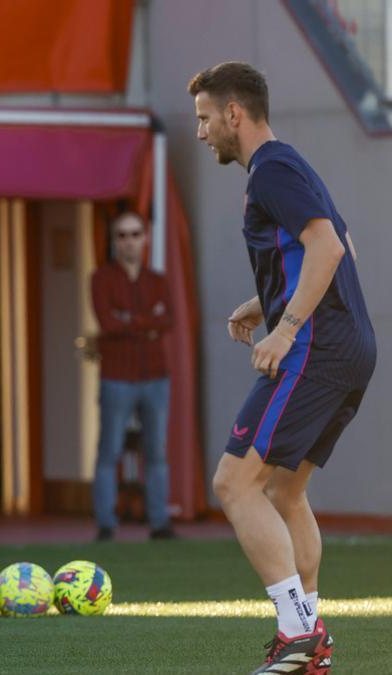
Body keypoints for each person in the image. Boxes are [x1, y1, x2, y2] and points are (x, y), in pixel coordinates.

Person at [189, 61, 376, 674]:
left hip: (316, 348)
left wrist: (286, 326)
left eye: (205, 118)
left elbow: (325, 247)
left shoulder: (270, 170)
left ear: (234, 114)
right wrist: (265, 301)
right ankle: (309, 636)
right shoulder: (288, 163)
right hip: (350, 347)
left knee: (233, 484)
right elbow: (338, 247)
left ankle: (299, 636)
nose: (201, 132)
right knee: (286, 490)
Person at [90, 212, 175, 542]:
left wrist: (128, 319)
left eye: (135, 234)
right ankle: (106, 524)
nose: (129, 240)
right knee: (109, 450)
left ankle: (159, 523)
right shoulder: (101, 279)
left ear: (145, 237)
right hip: (117, 376)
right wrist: (146, 322)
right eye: (122, 235)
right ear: (115, 241)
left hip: (155, 375)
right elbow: (107, 324)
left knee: (156, 451)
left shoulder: (158, 281)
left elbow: (168, 321)